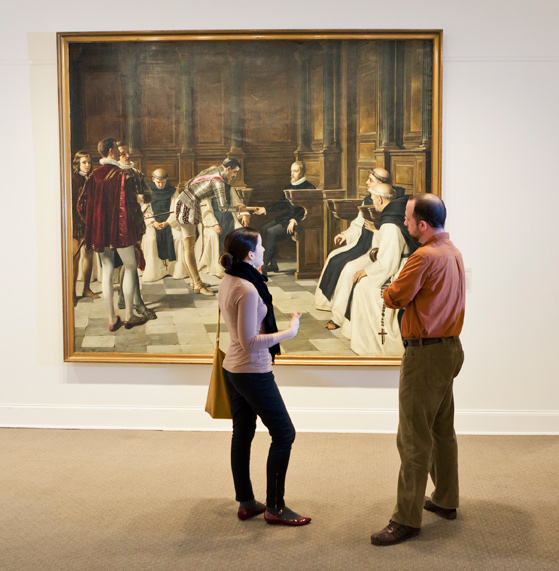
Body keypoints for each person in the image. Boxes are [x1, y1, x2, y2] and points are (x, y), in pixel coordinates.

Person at [370, 194, 465, 546]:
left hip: (425, 356)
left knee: (412, 437)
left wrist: (390, 288)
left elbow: (393, 296)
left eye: (408, 219)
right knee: (441, 429)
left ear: (422, 225)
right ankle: (445, 499)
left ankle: (406, 519)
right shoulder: (452, 251)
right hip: (450, 350)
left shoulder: (422, 256)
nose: (405, 223)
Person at [218, 227, 311, 527]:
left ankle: (246, 503)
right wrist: (290, 332)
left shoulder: (231, 278)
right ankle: (275, 507)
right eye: (259, 246)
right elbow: (249, 341)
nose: (263, 250)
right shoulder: (246, 287)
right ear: (249, 254)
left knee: (242, 434)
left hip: (233, 368)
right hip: (250, 370)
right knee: (284, 434)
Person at [340, 184, 419, 355]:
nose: (372, 202)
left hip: (400, 269)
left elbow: (388, 262)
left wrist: (367, 271)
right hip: (400, 264)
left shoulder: (390, 224)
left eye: (373, 198)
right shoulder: (397, 214)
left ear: (380, 199)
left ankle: (371, 344)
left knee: (363, 288)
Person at [78, 137, 146, 330]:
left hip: (101, 232)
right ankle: (129, 316)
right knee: (131, 266)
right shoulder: (124, 175)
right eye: (116, 149)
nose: (118, 152)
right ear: (109, 152)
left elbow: (81, 205)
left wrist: (94, 223)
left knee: (107, 271)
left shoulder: (93, 175)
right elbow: (132, 209)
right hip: (122, 232)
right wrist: (138, 232)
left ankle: (111, 319)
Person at [314, 167, 390, 324]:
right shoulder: (368, 201)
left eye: (371, 180)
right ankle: (327, 303)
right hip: (361, 244)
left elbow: (389, 236)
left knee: (349, 269)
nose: (366, 183)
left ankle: (339, 317)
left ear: (381, 184)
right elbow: (357, 225)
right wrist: (345, 235)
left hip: (374, 250)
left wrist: (375, 230)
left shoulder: (390, 205)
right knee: (334, 256)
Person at [176, 158, 241, 296]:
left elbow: (189, 183)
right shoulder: (218, 181)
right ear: (228, 168)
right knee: (189, 247)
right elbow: (223, 207)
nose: (235, 175)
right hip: (187, 207)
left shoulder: (213, 171)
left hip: (187, 203)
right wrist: (239, 208)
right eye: (234, 172)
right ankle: (198, 284)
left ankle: (195, 282)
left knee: (190, 246)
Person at [253, 161, 315, 275]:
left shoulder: (309, 187)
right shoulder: (289, 186)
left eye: (295, 171)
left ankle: (263, 266)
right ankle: (273, 264)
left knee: (271, 232)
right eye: (291, 171)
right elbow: (281, 204)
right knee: (263, 229)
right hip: (287, 218)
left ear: (302, 172)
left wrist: (295, 220)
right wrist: (265, 209)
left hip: (298, 220)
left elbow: (308, 209)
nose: (292, 174)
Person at [141, 169, 188, 282]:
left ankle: (176, 271)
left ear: (166, 180)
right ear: (153, 180)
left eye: (163, 182)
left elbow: (175, 209)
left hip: (170, 222)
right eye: (158, 182)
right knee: (151, 239)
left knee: (178, 238)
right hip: (154, 223)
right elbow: (146, 211)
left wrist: (168, 222)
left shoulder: (173, 191)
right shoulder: (148, 192)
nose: (161, 185)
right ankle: (155, 272)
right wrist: (153, 222)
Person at [196, 183, 250, 278]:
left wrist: (244, 214)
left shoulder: (229, 188)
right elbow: (206, 210)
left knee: (240, 232)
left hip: (230, 218)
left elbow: (237, 204)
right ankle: (219, 268)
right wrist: (214, 224)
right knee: (214, 235)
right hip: (213, 220)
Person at [71, 151, 100, 306]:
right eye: (84, 162)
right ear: (78, 163)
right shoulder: (73, 179)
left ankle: (86, 289)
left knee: (88, 254)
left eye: (89, 162)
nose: (87, 165)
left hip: (90, 222)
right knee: (75, 257)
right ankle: (72, 292)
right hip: (76, 222)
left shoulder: (94, 179)